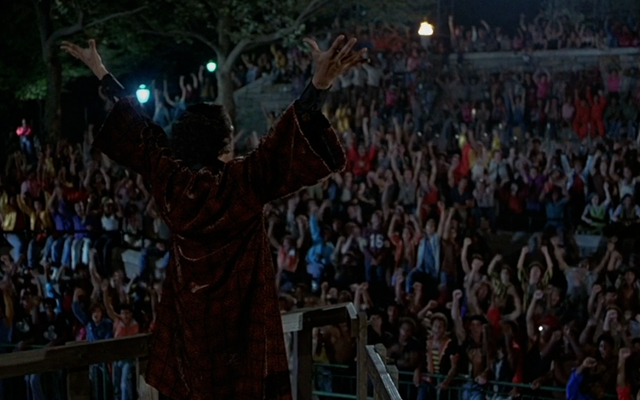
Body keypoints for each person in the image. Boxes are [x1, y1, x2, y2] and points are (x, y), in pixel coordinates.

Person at [61, 35, 366, 400]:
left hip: (190, 336)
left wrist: (101, 71)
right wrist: (318, 84)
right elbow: (285, 137)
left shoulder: (169, 179)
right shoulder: (242, 182)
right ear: (226, 143)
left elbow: (139, 127)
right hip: (242, 337)